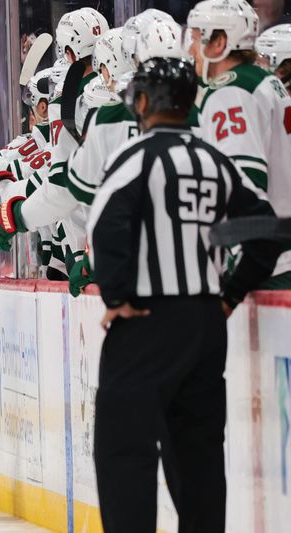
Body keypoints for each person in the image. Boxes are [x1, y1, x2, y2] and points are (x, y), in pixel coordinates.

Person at [87, 56, 283, 533]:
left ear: (142, 103)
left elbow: (105, 224)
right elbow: (268, 231)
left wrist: (116, 295)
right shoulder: (215, 160)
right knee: (198, 455)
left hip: (145, 323)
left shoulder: (135, 158)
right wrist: (230, 294)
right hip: (205, 324)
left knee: (124, 449)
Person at [186, 0, 291, 288]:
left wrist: (242, 268)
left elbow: (244, 182)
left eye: (195, 38)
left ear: (219, 42)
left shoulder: (229, 92)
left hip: (271, 264)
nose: (190, 50)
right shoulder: (265, 81)